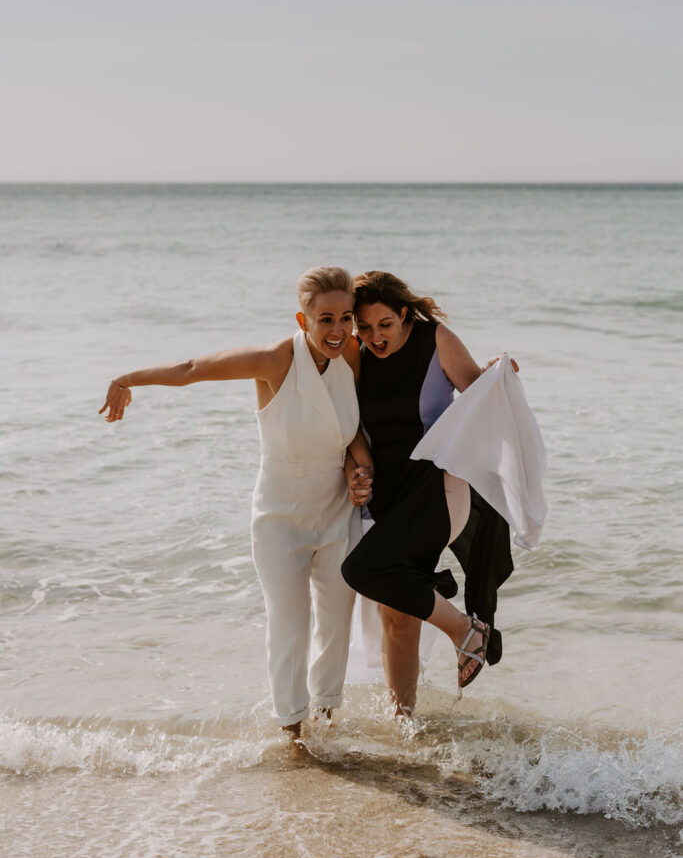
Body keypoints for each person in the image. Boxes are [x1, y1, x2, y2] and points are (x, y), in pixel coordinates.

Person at [99, 266, 373, 736]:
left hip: (335, 510)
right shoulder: (273, 360)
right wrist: (128, 378)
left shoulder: (351, 354)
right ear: (302, 318)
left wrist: (360, 470)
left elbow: (349, 433)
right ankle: (292, 733)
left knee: (336, 622)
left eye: (346, 317)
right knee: (289, 627)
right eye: (325, 318)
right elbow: (192, 370)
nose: (338, 329)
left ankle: (327, 722)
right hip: (280, 516)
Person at [342, 271, 518, 716]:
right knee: (395, 615)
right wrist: (353, 469)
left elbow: (480, 398)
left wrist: (500, 374)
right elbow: (348, 428)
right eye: (364, 328)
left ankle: (464, 630)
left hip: (438, 488)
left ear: (404, 314)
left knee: (363, 569)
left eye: (384, 324)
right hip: (387, 496)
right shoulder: (356, 354)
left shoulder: (435, 339)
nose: (374, 337)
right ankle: (405, 723)